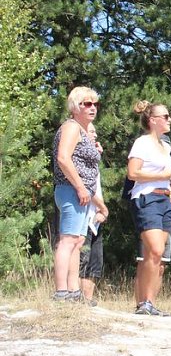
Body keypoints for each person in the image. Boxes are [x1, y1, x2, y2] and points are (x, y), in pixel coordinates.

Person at [52, 86, 101, 302]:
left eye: (95, 104)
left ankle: (73, 291)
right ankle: (61, 291)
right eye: (86, 104)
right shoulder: (71, 127)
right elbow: (63, 158)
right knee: (67, 240)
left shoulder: (82, 131)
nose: (92, 108)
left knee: (77, 242)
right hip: (71, 190)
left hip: (82, 193)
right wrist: (81, 187)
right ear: (75, 107)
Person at [127, 100, 171, 316]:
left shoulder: (166, 145)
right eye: (165, 116)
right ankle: (145, 302)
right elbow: (133, 173)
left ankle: (147, 303)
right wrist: (161, 176)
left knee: (154, 256)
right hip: (147, 199)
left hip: (165, 200)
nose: (169, 120)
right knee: (155, 250)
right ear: (152, 120)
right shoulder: (142, 143)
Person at [79, 122, 108, 305]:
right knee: (82, 258)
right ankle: (77, 297)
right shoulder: (80, 157)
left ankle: (87, 300)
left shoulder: (94, 160)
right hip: (84, 213)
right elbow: (86, 187)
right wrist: (103, 208)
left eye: (95, 131)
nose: (95, 135)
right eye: (91, 131)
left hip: (95, 216)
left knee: (95, 261)